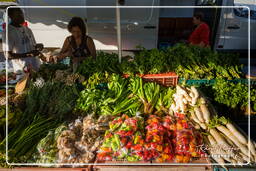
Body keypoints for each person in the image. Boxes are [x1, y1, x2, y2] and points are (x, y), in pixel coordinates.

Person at [2, 7, 43, 73]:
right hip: (22, 69)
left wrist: (38, 46)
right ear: (11, 16)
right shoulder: (8, 32)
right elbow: (8, 55)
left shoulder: (27, 29)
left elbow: (32, 45)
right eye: (18, 15)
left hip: (35, 66)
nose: (22, 16)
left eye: (22, 13)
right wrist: (28, 54)